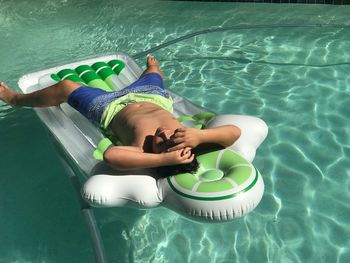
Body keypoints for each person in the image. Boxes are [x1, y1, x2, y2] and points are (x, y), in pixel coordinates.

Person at [0, 55, 241, 173]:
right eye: (174, 135)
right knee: (153, 76)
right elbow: (234, 132)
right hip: (152, 97)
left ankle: (15, 100)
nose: (165, 133)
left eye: (161, 143)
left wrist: (162, 160)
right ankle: (153, 68)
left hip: (109, 107)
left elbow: (112, 156)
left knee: (65, 87)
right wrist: (198, 138)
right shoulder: (190, 142)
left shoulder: (144, 152)